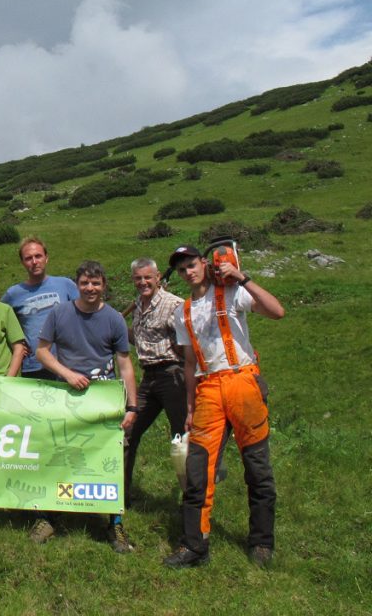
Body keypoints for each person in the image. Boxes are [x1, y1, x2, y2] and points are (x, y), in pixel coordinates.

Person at [162, 244, 284, 569]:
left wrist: (242, 277)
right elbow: (189, 363)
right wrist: (189, 406)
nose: (188, 272)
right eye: (181, 269)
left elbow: (277, 311)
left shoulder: (232, 292)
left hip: (242, 381)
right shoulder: (182, 312)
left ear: (204, 263)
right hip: (207, 390)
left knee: (257, 467)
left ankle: (261, 542)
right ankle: (194, 546)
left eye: (191, 264)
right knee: (198, 471)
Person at [36, 260, 138, 553]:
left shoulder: (115, 320)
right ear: (76, 285)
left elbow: (124, 364)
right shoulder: (59, 313)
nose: (90, 288)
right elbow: (42, 352)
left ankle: (115, 522)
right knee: (58, 455)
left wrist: (132, 406)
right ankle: (49, 517)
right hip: (66, 398)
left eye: (95, 283)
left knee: (111, 460)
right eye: (84, 283)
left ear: (104, 286)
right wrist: (67, 374)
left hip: (104, 401)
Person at [125, 257, 186, 505]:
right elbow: (142, 340)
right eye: (138, 278)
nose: (143, 282)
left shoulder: (175, 304)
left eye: (148, 277)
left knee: (182, 438)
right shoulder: (137, 305)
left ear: (158, 277)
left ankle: (191, 500)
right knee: (127, 431)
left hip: (173, 375)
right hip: (148, 377)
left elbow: (187, 342)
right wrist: (118, 329)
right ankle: (121, 494)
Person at [1, 236, 79, 380]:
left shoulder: (66, 285)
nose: (34, 262)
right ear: (22, 262)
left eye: (38, 256)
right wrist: (16, 344)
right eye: (28, 258)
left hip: (68, 363)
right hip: (33, 366)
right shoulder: (13, 294)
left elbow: (86, 313)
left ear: (46, 258)